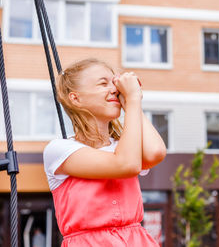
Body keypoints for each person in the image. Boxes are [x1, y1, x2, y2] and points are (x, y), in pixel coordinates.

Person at [43, 58, 166, 246]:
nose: (114, 89)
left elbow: (155, 152)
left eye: (114, 83)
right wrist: (132, 99)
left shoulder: (124, 146)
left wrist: (133, 104)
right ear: (76, 98)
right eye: (103, 83)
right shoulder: (60, 150)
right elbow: (126, 165)